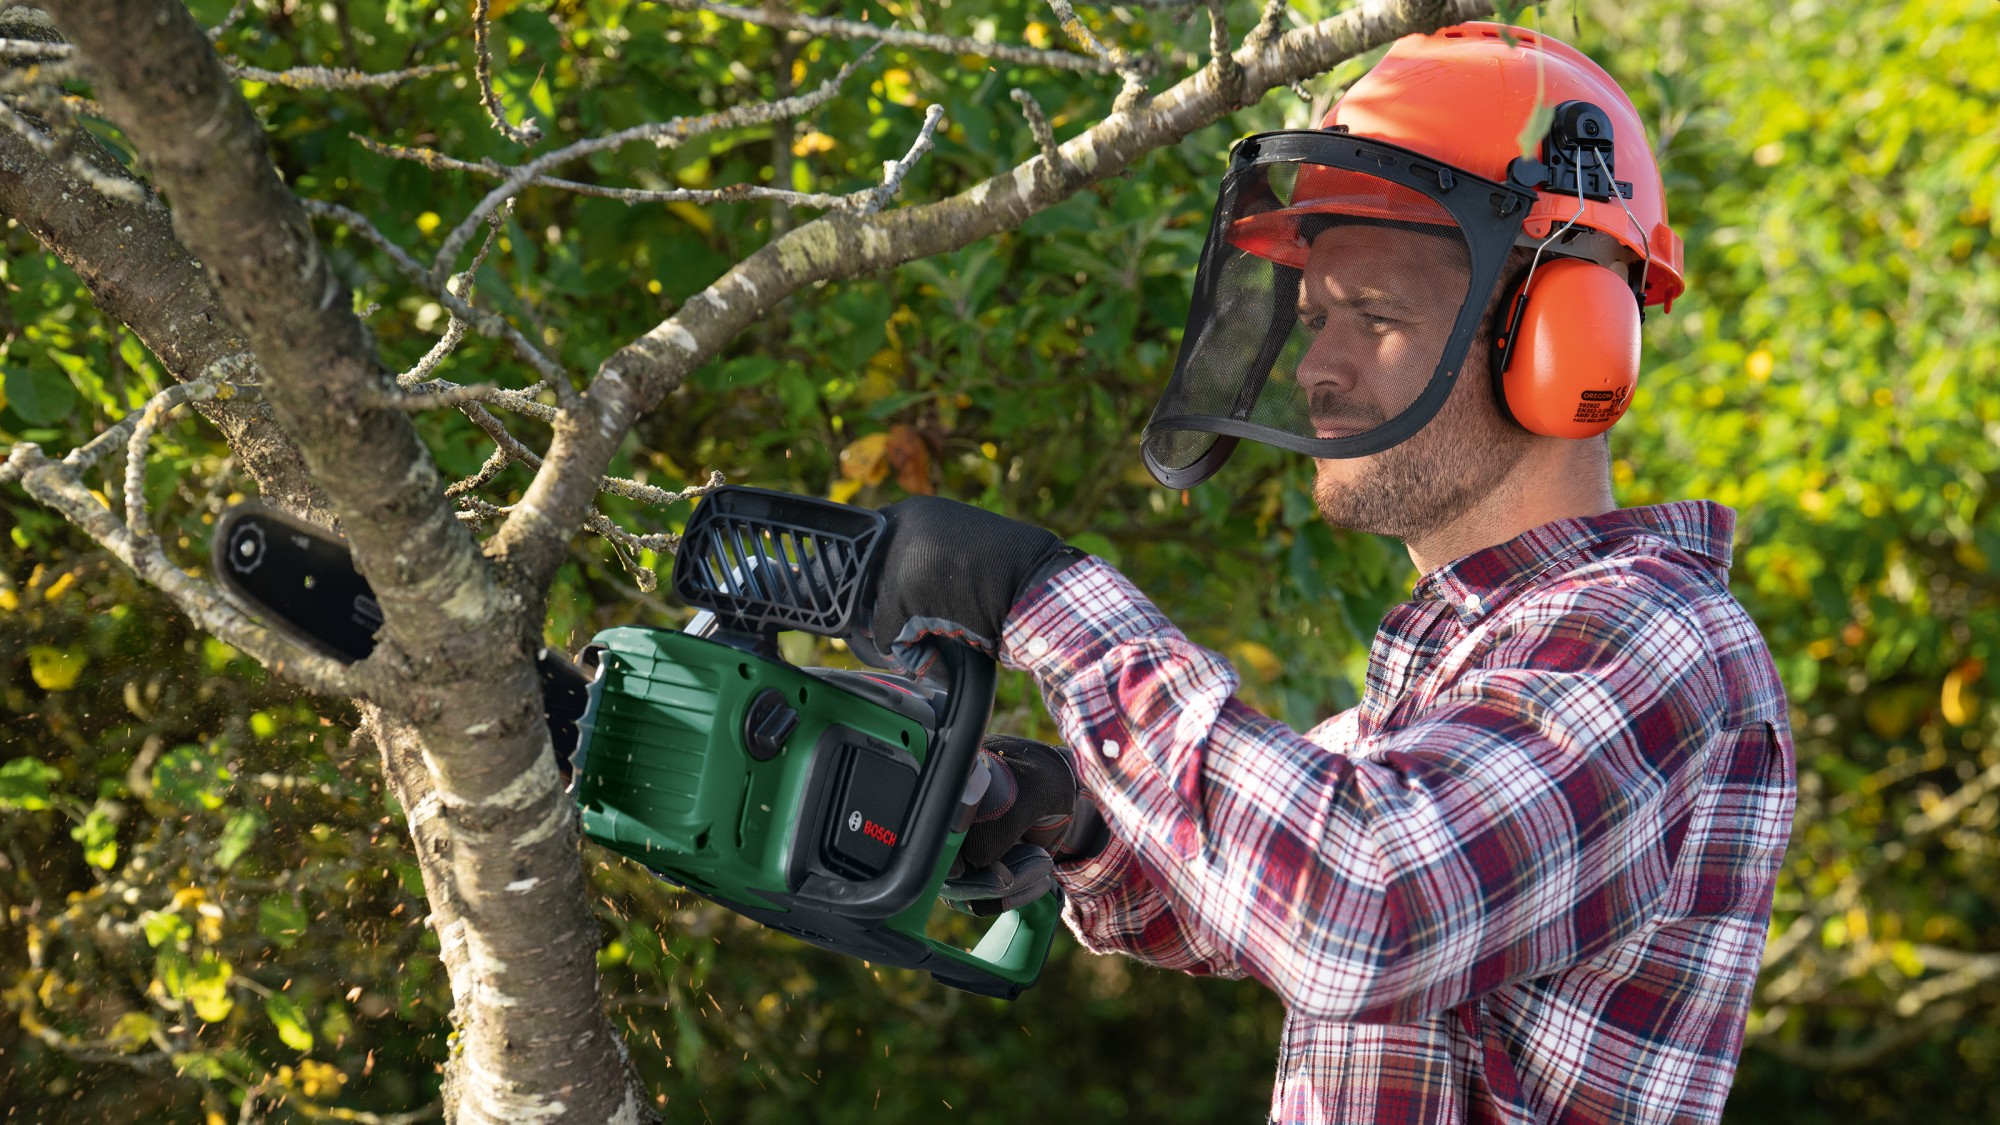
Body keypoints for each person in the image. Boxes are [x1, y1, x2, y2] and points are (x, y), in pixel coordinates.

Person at [852, 22, 1795, 1125]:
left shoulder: (1650, 638)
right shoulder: (1466, 658)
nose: (1314, 368)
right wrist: (1069, 818)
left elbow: (1360, 908)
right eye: (1311, 319)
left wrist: (1043, 600)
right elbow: (1244, 891)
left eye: (1375, 319)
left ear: (1561, 339)